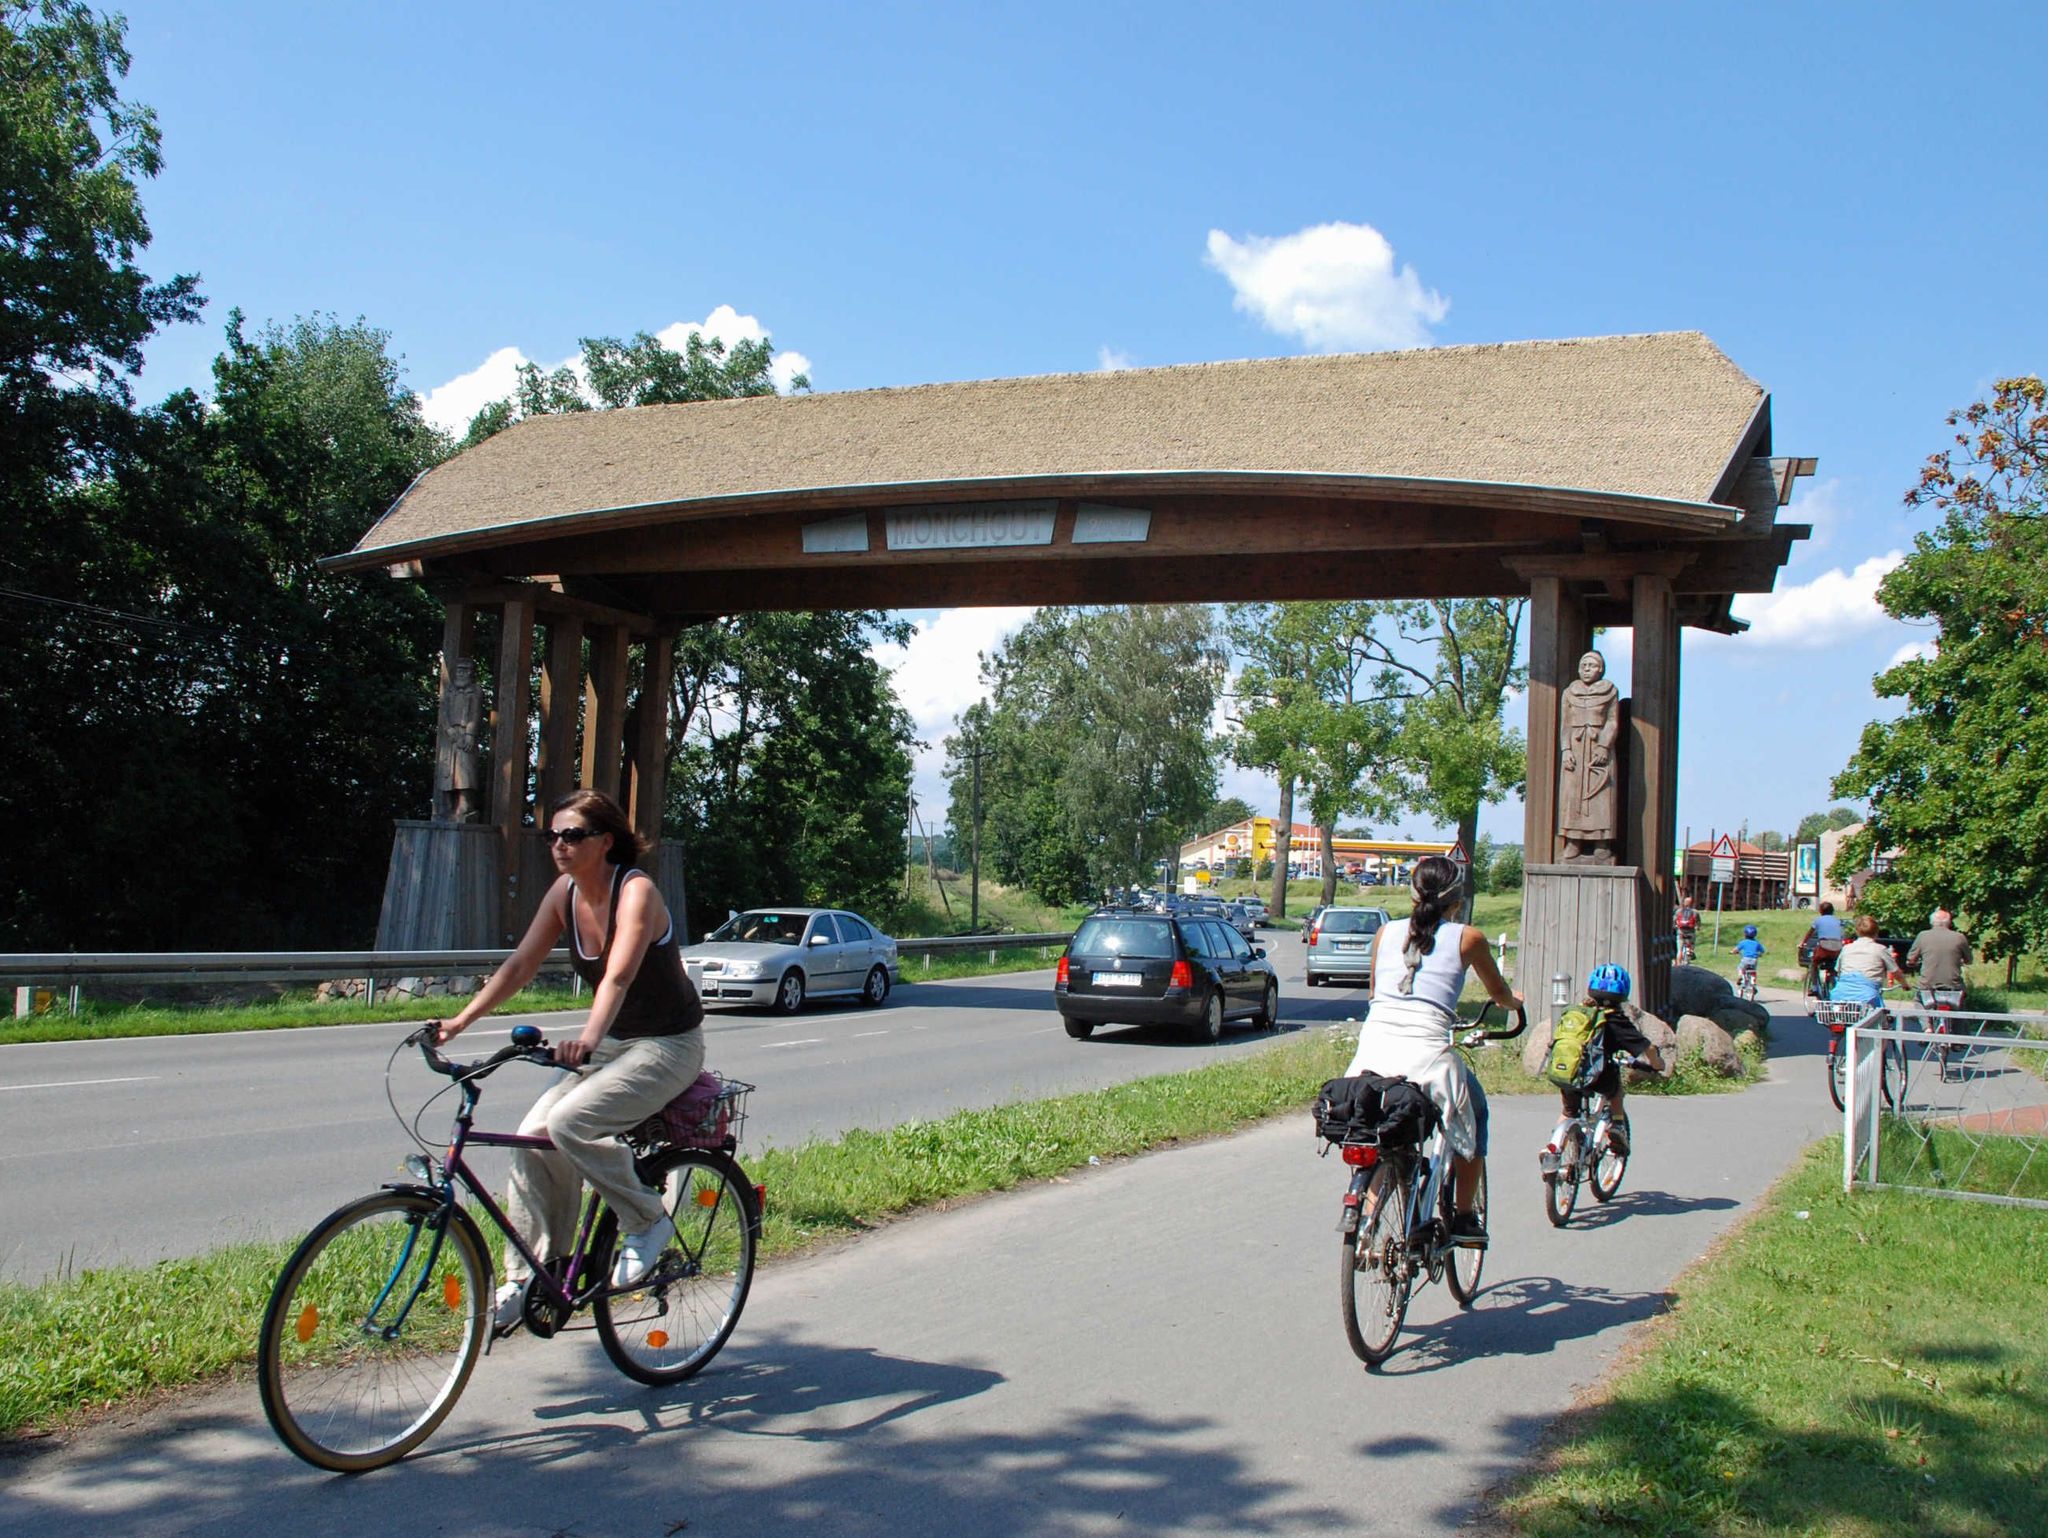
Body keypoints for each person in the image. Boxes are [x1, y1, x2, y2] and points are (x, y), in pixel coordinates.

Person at [435, 789, 706, 1331]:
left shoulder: (637, 891)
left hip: (669, 1043)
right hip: (615, 1041)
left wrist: (585, 1038)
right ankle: (536, 1271)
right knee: (534, 1134)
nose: (558, 845)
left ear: (605, 842)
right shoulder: (564, 893)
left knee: (569, 1120)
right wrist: (460, 1022)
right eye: (552, 835)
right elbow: (520, 964)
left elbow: (620, 976)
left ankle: (647, 1218)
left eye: (572, 835)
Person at [1343, 854, 1522, 1246]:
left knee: (1382, 1132)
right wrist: (1514, 1002)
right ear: (1456, 900)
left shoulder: (1385, 932)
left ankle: (1368, 1220)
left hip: (1371, 1054)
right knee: (1473, 1114)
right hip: (1427, 1058)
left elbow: (1375, 993)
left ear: (1411, 895)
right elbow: (1498, 992)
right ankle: (1463, 1216)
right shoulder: (1468, 938)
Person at [1546, 964, 1666, 1157]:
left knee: (1569, 1112)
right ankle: (1617, 1125)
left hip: (1568, 1073)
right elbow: (1645, 1047)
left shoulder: (1578, 1013)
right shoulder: (1615, 1020)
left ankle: (1554, 1149)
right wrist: (1657, 1064)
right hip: (1598, 1076)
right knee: (1616, 1090)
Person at [1829, 913, 1904, 1006]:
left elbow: (1838, 970)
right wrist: (1904, 984)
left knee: (1839, 1016)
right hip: (1868, 996)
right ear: (1876, 932)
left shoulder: (1847, 948)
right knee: (1878, 1015)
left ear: (1857, 931)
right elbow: (1895, 971)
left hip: (1841, 994)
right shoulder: (1880, 949)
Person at [1907, 908, 1971, 1000]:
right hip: (1953, 986)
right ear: (1949, 922)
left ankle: (1922, 1014)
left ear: (1932, 922)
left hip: (1927, 985)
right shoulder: (1959, 937)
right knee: (1959, 1009)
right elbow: (1969, 960)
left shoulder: (1923, 936)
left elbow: (1911, 959)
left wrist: (1912, 963)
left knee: (1919, 1004)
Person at [1802, 901, 1846, 996]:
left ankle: (1814, 987)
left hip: (1824, 947)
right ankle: (1835, 985)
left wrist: (1803, 943)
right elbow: (1842, 935)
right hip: (1837, 948)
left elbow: (1809, 933)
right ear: (1832, 911)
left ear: (1820, 911)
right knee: (1833, 967)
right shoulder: (1838, 921)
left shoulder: (1818, 920)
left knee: (1814, 964)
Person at [1734, 924, 1766, 989]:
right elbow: (1762, 950)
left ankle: (1740, 976)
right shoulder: (1757, 943)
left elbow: (1736, 949)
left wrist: (1732, 952)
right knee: (1753, 971)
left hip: (1745, 959)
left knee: (1740, 968)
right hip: (1754, 960)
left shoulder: (1743, 942)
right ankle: (1753, 983)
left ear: (1745, 934)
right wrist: (1759, 954)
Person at [1674, 896, 1700, 962]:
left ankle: (1679, 964)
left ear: (1684, 903)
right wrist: (1697, 927)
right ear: (1692, 903)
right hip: (1691, 933)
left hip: (1681, 933)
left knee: (1680, 950)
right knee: (1690, 947)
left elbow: (1674, 921)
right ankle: (1687, 961)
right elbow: (1698, 923)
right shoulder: (1695, 912)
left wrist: (1676, 926)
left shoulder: (1679, 911)